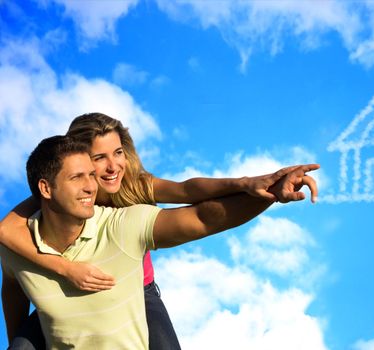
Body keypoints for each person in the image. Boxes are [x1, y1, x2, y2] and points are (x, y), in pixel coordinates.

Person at [0, 122, 319, 348]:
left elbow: (190, 195)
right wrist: (65, 269)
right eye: (98, 159)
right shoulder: (52, 197)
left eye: (118, 153)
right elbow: (7, 242)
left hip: (139, 289)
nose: (111, 167)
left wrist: (253, 185)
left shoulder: (131, 194)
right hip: (62, 303)